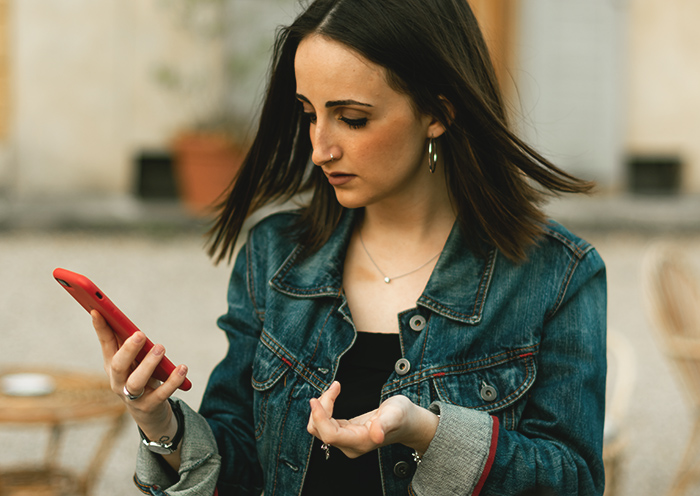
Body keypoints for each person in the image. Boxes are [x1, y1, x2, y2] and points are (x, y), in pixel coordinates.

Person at [92, 0, 607, 494]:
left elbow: (574, 481)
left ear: (438, 112)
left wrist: (428, 432)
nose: (320, 148)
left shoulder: (556, 275)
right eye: (308, 113)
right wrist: (162, 424)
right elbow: (243, 466)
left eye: (353, 118)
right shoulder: (275, 255)